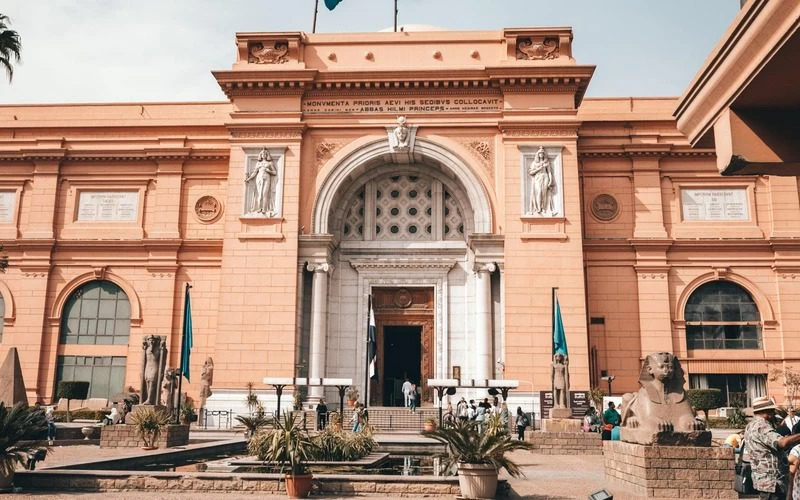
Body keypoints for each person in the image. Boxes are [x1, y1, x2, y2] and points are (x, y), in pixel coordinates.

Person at [744, 396, 800, 499]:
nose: (774, 413)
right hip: (772, 483)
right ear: (765, 412)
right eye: (772, 410)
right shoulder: (761, 426)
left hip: (763, 481)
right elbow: (781, 442)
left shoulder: (750, 425)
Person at [245, 147, 278, 215]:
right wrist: (249, 178)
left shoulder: (270, 163)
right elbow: (254, 173)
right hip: (259, 178)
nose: (264, 155)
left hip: (266, 178)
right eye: (262, 154)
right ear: (261, 155)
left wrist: (269, 171)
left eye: (265, 154)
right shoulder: (258, 163)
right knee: (259, 194)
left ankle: (264, 209)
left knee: (264, 194)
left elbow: (274, 172)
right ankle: (259, 208)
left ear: (267, 155)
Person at [528, 145, 554, 215]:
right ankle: (538, 208)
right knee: (539, 192)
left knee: (544, 193)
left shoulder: (546, 162)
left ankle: (544, 208)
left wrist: (550, 180)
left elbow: (549, 172)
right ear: (538, 154)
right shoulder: (534, 163)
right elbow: (531, 172)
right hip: (538, 177)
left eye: (542, 153)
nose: (541, 154)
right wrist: (539, 168)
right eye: (540, 153)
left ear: (544, 154)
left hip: (545, 177)